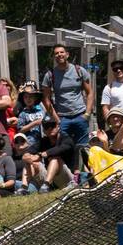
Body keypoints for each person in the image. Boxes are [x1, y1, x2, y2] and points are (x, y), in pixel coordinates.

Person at [41, 45, 93, 174]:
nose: (59, 55)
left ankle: (86, 176)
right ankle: (67, 176)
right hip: (62, 118)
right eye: (56, 53)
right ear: (54, 57)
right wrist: (56, 118)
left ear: (67, 54)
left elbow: (90, 92)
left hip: (80, 115)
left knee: (83, 148)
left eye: (61, 52)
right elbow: (46, 98)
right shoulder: (50, 75)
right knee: (64, 148)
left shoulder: (79, 70)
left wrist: (87, 113)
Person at [24, 118, 77, 192]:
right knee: (31, 161)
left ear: (58, 127)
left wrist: (42, 155)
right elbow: (28, 151)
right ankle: (24, 188)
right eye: (46, 127)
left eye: (52, 126)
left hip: (67, 179)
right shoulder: (43, 141)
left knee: (55, 159)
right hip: (50, 177)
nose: (50, 128)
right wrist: (27, 157)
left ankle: (46, 185)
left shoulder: (66, 138)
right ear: (44, 131)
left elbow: (60, 148)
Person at [15, 81, 46, 151]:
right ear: (23, 99)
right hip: (30, 144)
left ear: (35, 98)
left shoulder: (41, 110)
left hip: (44, 142)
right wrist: (34, 123)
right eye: (26, 97)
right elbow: (20, 130)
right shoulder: (22, 114)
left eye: (31, 96)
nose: (28, 99)